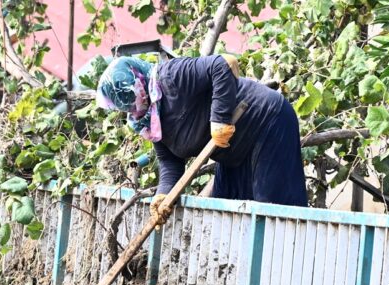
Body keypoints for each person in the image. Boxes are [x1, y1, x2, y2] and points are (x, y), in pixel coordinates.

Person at [96, 55, 308, 225]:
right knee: (228, 216)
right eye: (126, 105)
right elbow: (170, 161)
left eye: (132, 97)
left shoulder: (171, 76)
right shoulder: (149, 119)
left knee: (272, 210)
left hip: (266, 121)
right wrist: (163, 195)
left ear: (138, 80)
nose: (133, 107)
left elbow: (222, 65)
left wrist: (219, 119)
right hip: (232, 152)